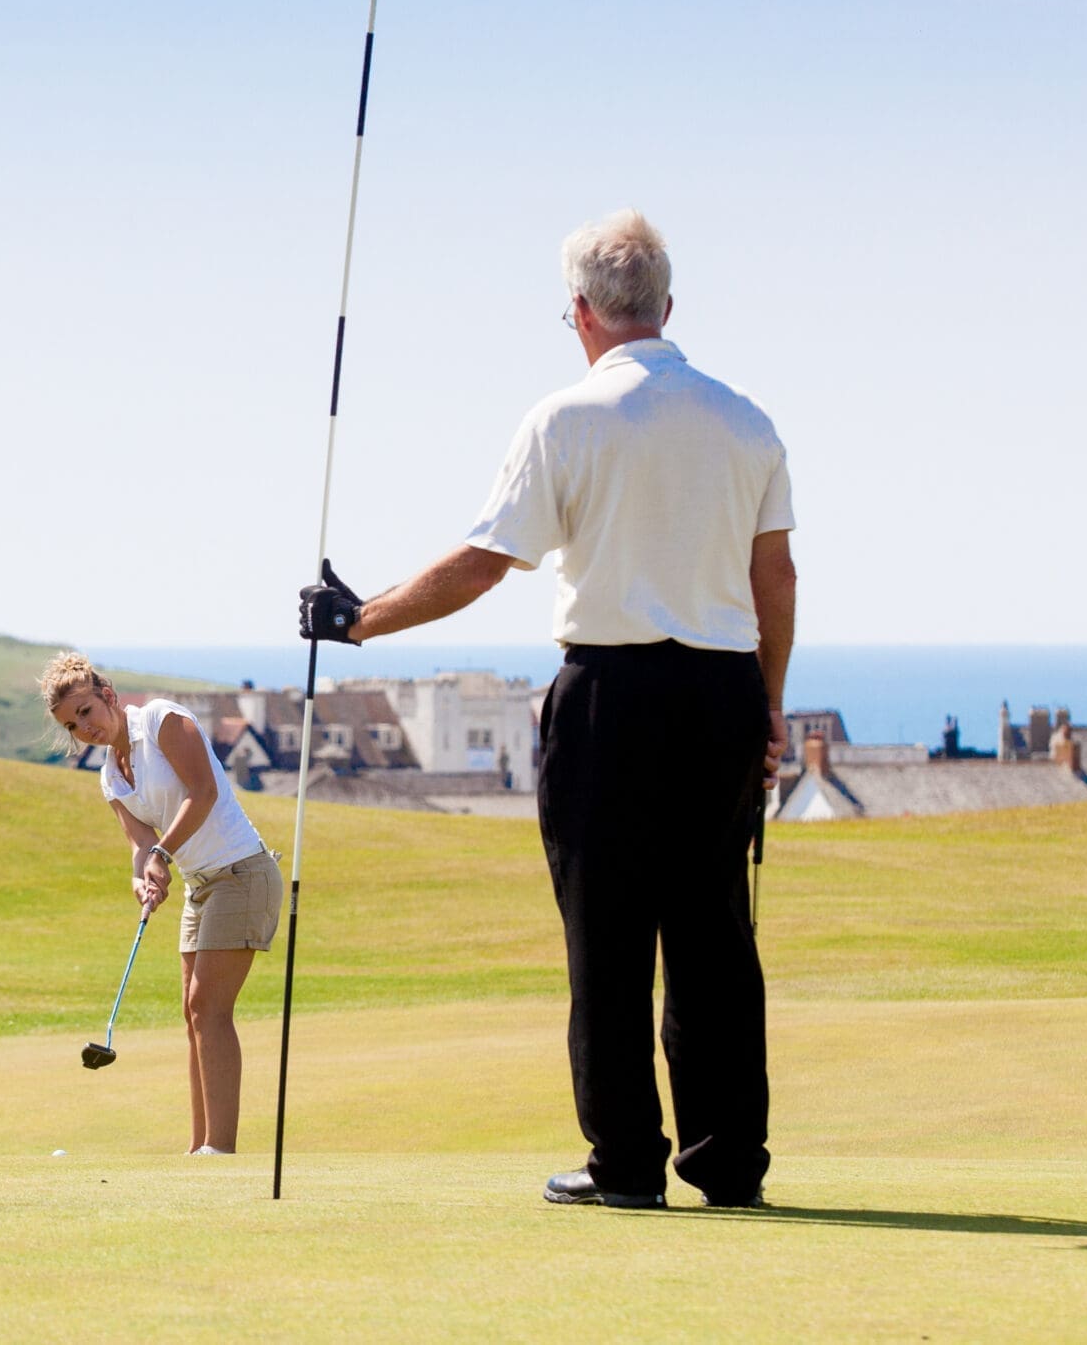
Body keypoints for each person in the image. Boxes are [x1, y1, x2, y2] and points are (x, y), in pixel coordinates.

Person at [298, 210, 795, 1211]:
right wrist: (769, 709)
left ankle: (624, 1168)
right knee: (712, 940)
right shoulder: (745, 419)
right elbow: (773, 577)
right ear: (666, 306)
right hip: (720, 694)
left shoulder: (565, 419)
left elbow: (481, 567)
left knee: (606, 941)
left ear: (578, 312)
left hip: (608, 697)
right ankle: (727, 1164)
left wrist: (359, 624)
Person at [43, 652, 284, 1156]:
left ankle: (220, 1150)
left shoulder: (161, 720)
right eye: (71, 724)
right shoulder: (111, 776)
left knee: (207, 1008)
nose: (83, 727)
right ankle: (198, 1148)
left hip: (242, 872)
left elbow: (204, 791)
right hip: (201, 886)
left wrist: (161, 853)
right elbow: (139, 843)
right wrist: (143, 878)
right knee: (192, 1013)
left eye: (86, 711)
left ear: (108, 696)